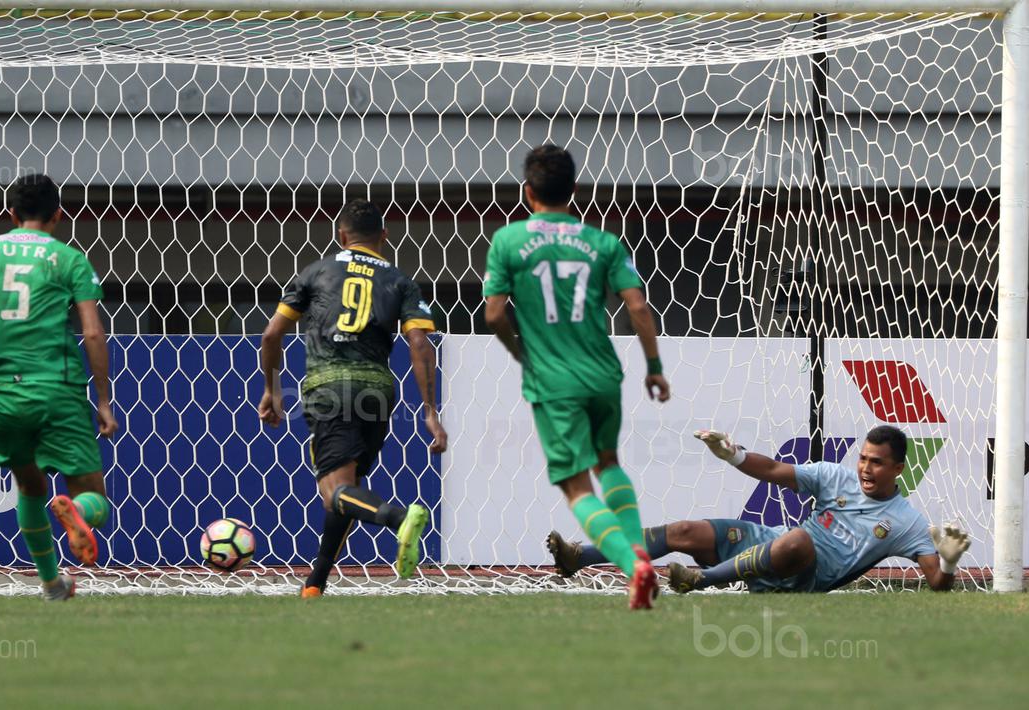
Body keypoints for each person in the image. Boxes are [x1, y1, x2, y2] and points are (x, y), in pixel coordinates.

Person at [483, 144, 669, 609]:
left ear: (528, 192)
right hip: (603, 373)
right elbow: (638, 305)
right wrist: (654, 367)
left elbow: (494, 314)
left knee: (577, 487)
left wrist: (521, 353)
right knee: (609, 462)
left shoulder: (508, 240)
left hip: (554, 380)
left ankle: (633, 566)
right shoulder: (604, 242)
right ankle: (639, 553)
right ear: (574, 191)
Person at [258, 199, 447, 597]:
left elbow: (271, 335)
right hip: (378, 391)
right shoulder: (400, 281)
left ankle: (398, 518)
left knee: (336, 492)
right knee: (345, 494)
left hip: (329, 387)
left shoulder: (316, 272)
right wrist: (430, 411)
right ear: (384, 236)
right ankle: (315, 584)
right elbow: (419, 343)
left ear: (341, 236)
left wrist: (272, 389)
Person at [0, 173, 117, 601]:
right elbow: (93, 332)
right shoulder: (69, 259)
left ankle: (51, 583)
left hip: (1, 393)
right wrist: (102, 398)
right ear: (58, 215)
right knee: (94, 498)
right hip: (57, 389)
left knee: (29, 486)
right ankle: (76, 511)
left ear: (11, 214)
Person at [547, 425, 972, 592]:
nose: (865, 468)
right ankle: (578, 557)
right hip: (768, 544)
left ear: (897, 469)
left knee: (798, 541)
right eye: (863, 458)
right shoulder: (836, 476)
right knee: (684, 531)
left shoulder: (907, 522)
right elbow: (771, 470)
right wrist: (731, 454)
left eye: (876, 462)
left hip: (801, 574)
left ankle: (700, 580)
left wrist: (949, 563)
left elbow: (937, 582)